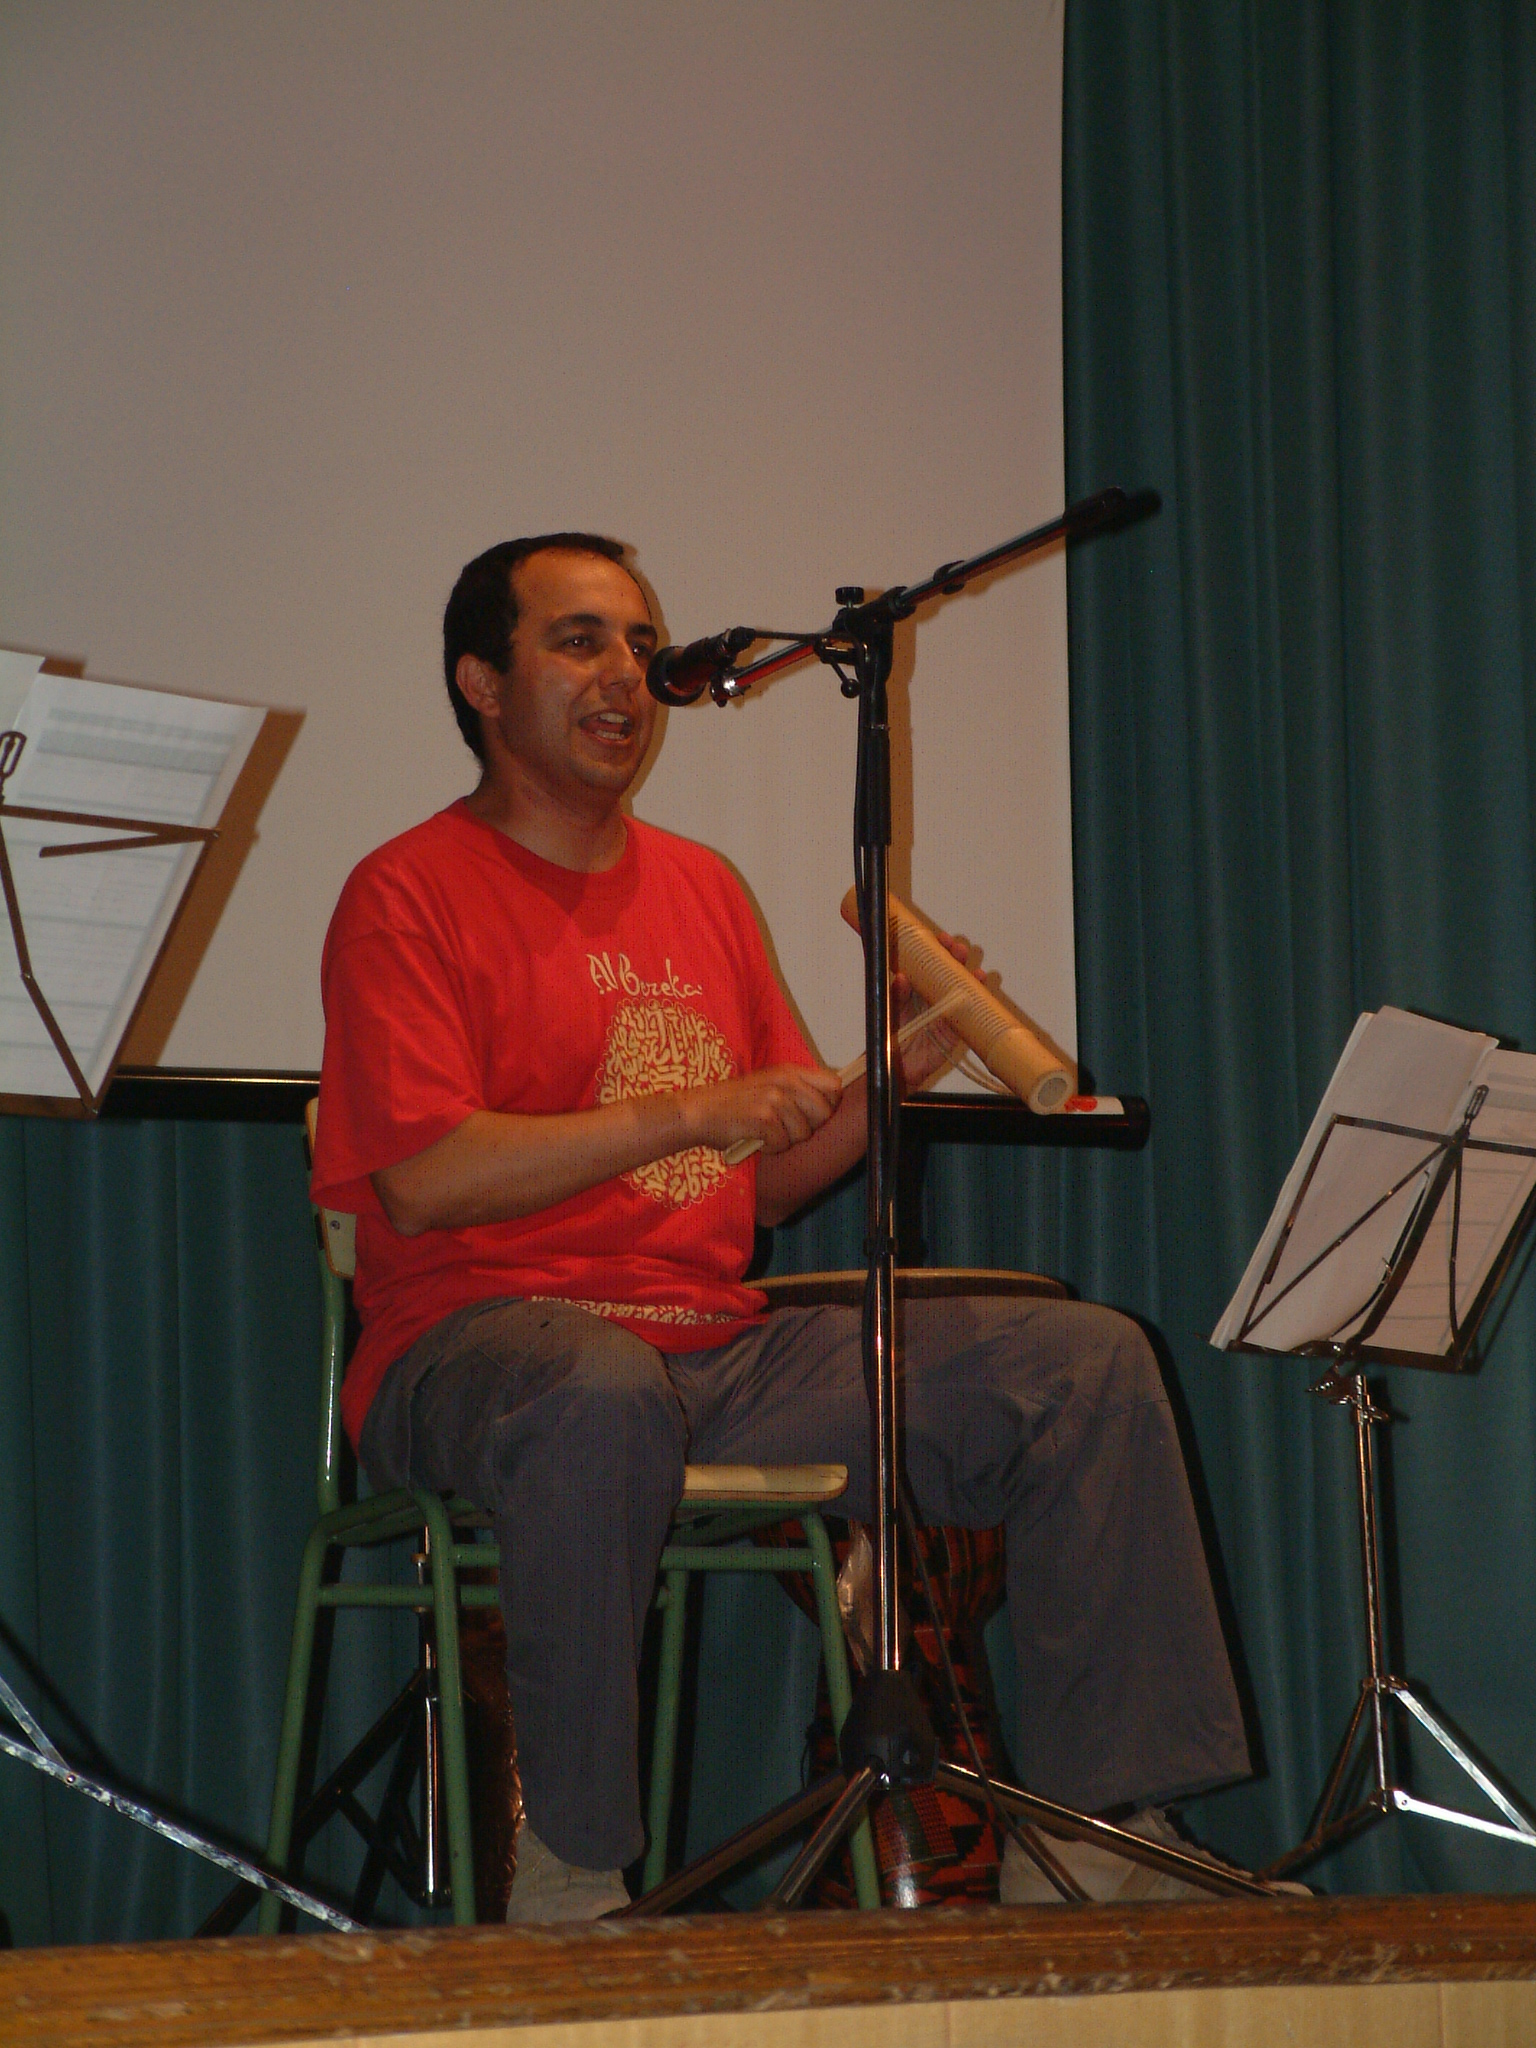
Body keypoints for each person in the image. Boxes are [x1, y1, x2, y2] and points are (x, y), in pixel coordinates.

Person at [311, 532, 1251, 1921]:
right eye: (579, 640)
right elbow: (423, 1181)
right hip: (480, 1349)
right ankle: (571, 1873)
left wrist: (894, 1077)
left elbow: (752, 1184)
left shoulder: (700, 887)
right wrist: (693, 1109)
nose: (627, 673)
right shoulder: (408, 890)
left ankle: (1105, 1841)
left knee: (1083, 1366)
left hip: (708, 1348)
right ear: (482, 684)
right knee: (595, 1393)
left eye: (641, 643)